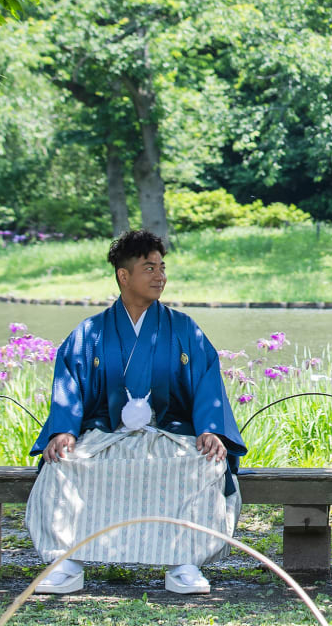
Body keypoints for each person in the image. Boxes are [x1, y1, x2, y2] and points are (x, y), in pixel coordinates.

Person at [25, 229, 246, 595]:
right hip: (105, 434)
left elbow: (208, 383)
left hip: (170, 433)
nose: (160, 276)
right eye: (149, 268)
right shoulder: (90, 332)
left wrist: (210, 428)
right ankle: (67, 562)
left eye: (162, 267)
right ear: (123, 276)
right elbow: (70, 386)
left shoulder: (183, 329)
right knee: (63, 461)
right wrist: (63, 429)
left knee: (203, 463)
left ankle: (184, 562)